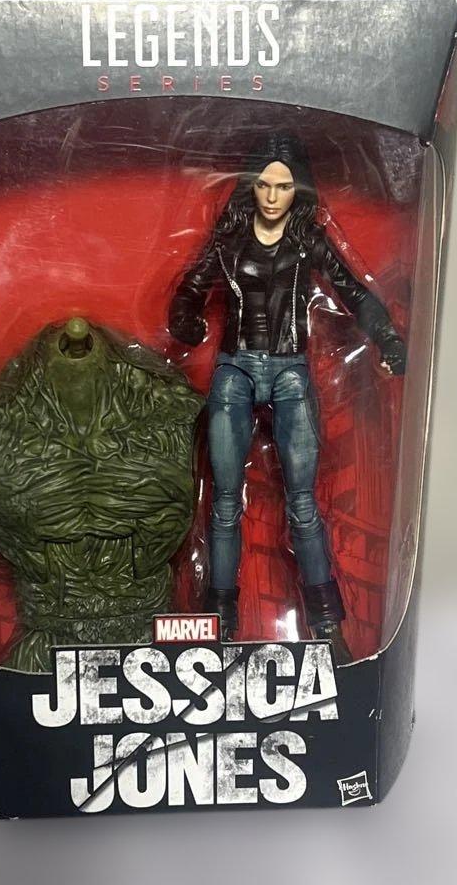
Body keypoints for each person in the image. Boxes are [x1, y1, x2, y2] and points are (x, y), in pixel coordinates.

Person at [168, 132, 406, 662]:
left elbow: (354, 291)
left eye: (284, 186)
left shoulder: (307, 242)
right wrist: (184, 320)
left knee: (302, 505)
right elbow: (190, 288)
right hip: (235, 367)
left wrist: (388, 338)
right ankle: (218, 623)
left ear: (299, 189)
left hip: (290, 371)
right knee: (224, 505)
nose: (273, 196)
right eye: (264, 185)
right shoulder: (229, 239)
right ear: (251, 187)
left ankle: (327, 625)